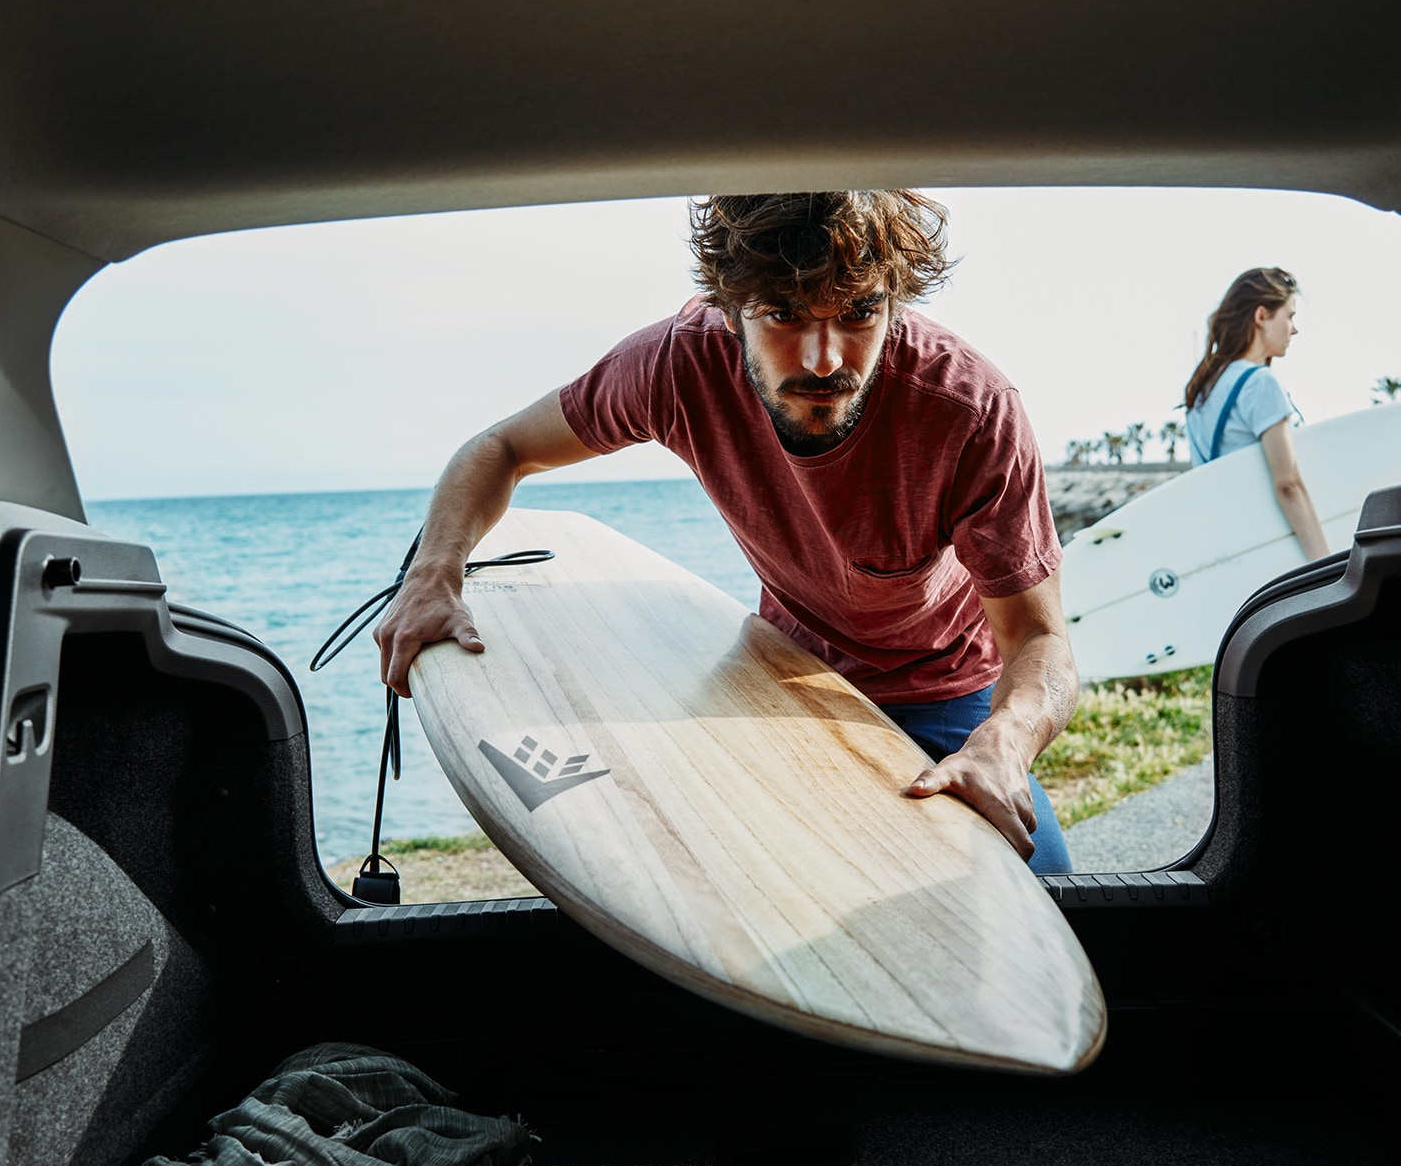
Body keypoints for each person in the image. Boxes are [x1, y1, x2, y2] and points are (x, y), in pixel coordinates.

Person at [371, 191, 1076, 872]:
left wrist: (1004, 743)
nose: (823, 359)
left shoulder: (968, 409)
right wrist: (433, 574)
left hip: (943, 687)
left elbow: (1039, 640)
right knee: (719, 869)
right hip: (778, 670)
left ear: (896, 302)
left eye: (860, 312)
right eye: (783, 314)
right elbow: (499, 449)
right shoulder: (680, 365)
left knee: (1040, 880)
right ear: (730, 310)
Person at [1183, 267, 1331, 559]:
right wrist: (1324, 563)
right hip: (1276, 544)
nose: (1294, 328)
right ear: (1261, 316)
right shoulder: (1260, 382)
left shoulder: (1203, 388)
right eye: (1289, 316)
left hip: (1231, 545)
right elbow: (1288, 484)